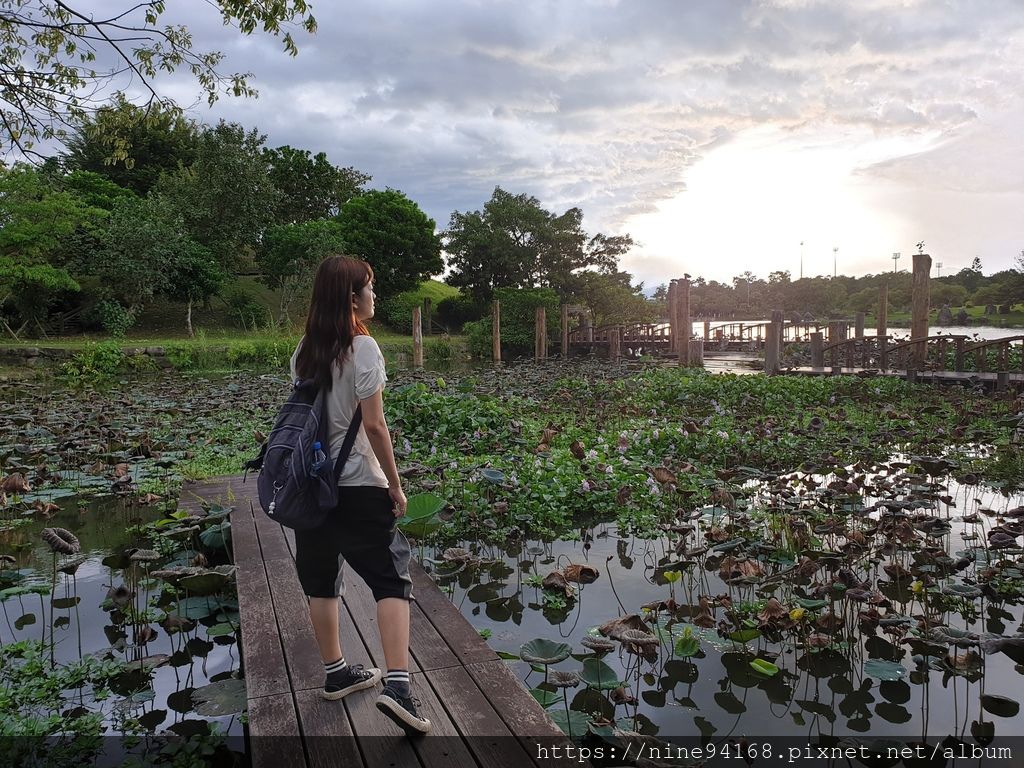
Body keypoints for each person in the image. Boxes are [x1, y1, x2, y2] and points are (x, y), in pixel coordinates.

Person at [290, 254, 431, 736]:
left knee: (320, 579)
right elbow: (374, 425)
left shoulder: (305, 350)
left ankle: (336, 674)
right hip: (356, 485)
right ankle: (399, 688)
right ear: (353, 297)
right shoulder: (363, 349)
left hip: (311, 486)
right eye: (370, 287)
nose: (375, 295)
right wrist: (395, 483)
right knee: (392, 581)